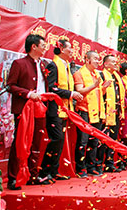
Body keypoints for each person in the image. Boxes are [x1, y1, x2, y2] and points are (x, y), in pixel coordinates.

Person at [6, 34, 48, 189]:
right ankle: (13, 177)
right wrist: (28, 94)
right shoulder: (20, 63)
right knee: (21, 142)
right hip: (24, 109)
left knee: (37, 141)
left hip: (40, 108)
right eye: (43, 45)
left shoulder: (42, 65)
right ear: (34, 47)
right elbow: (10, 85)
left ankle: (32, 174)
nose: (45, 48)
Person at [39, 39, 83, 183]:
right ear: (62, 49)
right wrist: (71, 94)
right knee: (56, 139)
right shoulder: (53, 65)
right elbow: (52, 88)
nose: (72, 51)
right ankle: (43, 173)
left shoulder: (67, 66)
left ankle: (54, 171)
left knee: (60, 141)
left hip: (64, 109)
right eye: (70, 48)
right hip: (54, 109)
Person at [73, 51, 110, 177]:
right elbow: (79, 91)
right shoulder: (79, 74)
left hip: (97, 112)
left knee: (94, 141)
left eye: (98, 59)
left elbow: (99, 94)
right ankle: (80, 167)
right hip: (84, 111)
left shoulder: (96, 74)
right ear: (87, 60)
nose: (97, 61)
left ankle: (91, 166)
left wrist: (103, 88)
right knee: (83, 141)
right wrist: (94, 86)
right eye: (95, 59)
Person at [98, 54, 124, 172]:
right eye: (113, 62)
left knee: (113, 139)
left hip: (116, 112)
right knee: (103, 139)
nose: (115, 64)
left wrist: (120, 110)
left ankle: (109, 163)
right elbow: (98, 94)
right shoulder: (101, 75)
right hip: (105, 112)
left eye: (116, 62)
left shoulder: (117, 77)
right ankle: (98, 164)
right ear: (106, 64)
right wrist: (103, 88)